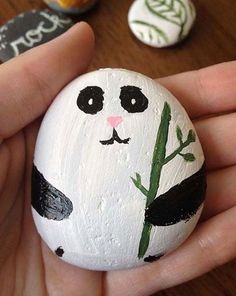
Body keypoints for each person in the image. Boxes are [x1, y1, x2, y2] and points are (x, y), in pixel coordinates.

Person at [0, 22, 235, 295]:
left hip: (157, 225)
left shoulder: (159, 129)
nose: (114, 118)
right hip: (66, 232)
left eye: (131, 104)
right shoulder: (69, 137)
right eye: (93, 105)